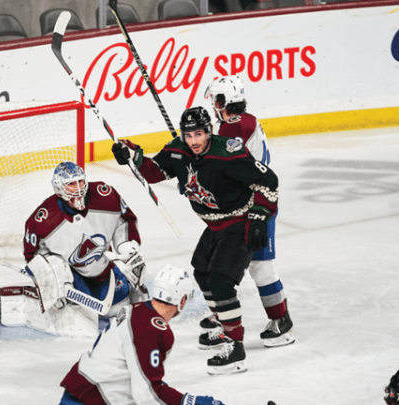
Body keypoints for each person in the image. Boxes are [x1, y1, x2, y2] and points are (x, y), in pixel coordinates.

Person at [111, 105, 279, 375]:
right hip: (214, 225)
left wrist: (260, 216)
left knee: (221, 280)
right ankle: (225, 327)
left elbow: (268, 180)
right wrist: (132, 154)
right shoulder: (178, 150)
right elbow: (155, 171)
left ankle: (235, 348)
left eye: (199, 134)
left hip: (240, 222)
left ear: (208, 132)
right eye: (189, 135)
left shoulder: (228, 152)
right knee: (202, 271)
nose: (194, 141)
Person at [0, 161, 149, 337]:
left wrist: (126, 248)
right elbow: (33, 256)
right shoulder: (43, 220)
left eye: (80, 182)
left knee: (118, 309)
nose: (78, 188)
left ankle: (134, 292)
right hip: (74, 280)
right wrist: (48, 282)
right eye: (71, 184)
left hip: (104, 270)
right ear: (58, 187)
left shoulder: (105, 195)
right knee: (80, 325)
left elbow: (125, 220)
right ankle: (68, 304)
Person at [202, 75, 295, 349]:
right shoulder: (243, 121)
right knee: (223, 260)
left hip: (256, 205)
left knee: (260, 266)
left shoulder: (233, 129)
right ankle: (224, 317)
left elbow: (219, 167)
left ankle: (282, 321)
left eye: (215, 100)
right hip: (242, 203)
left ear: (223, 101)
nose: (213, 106)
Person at [59, 264, 226, 405]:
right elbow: (147, 393)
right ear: (181, 300)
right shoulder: (152, 329)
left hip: (84, 391)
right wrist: (191, 401)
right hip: (91, 398)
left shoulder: (134, 309)